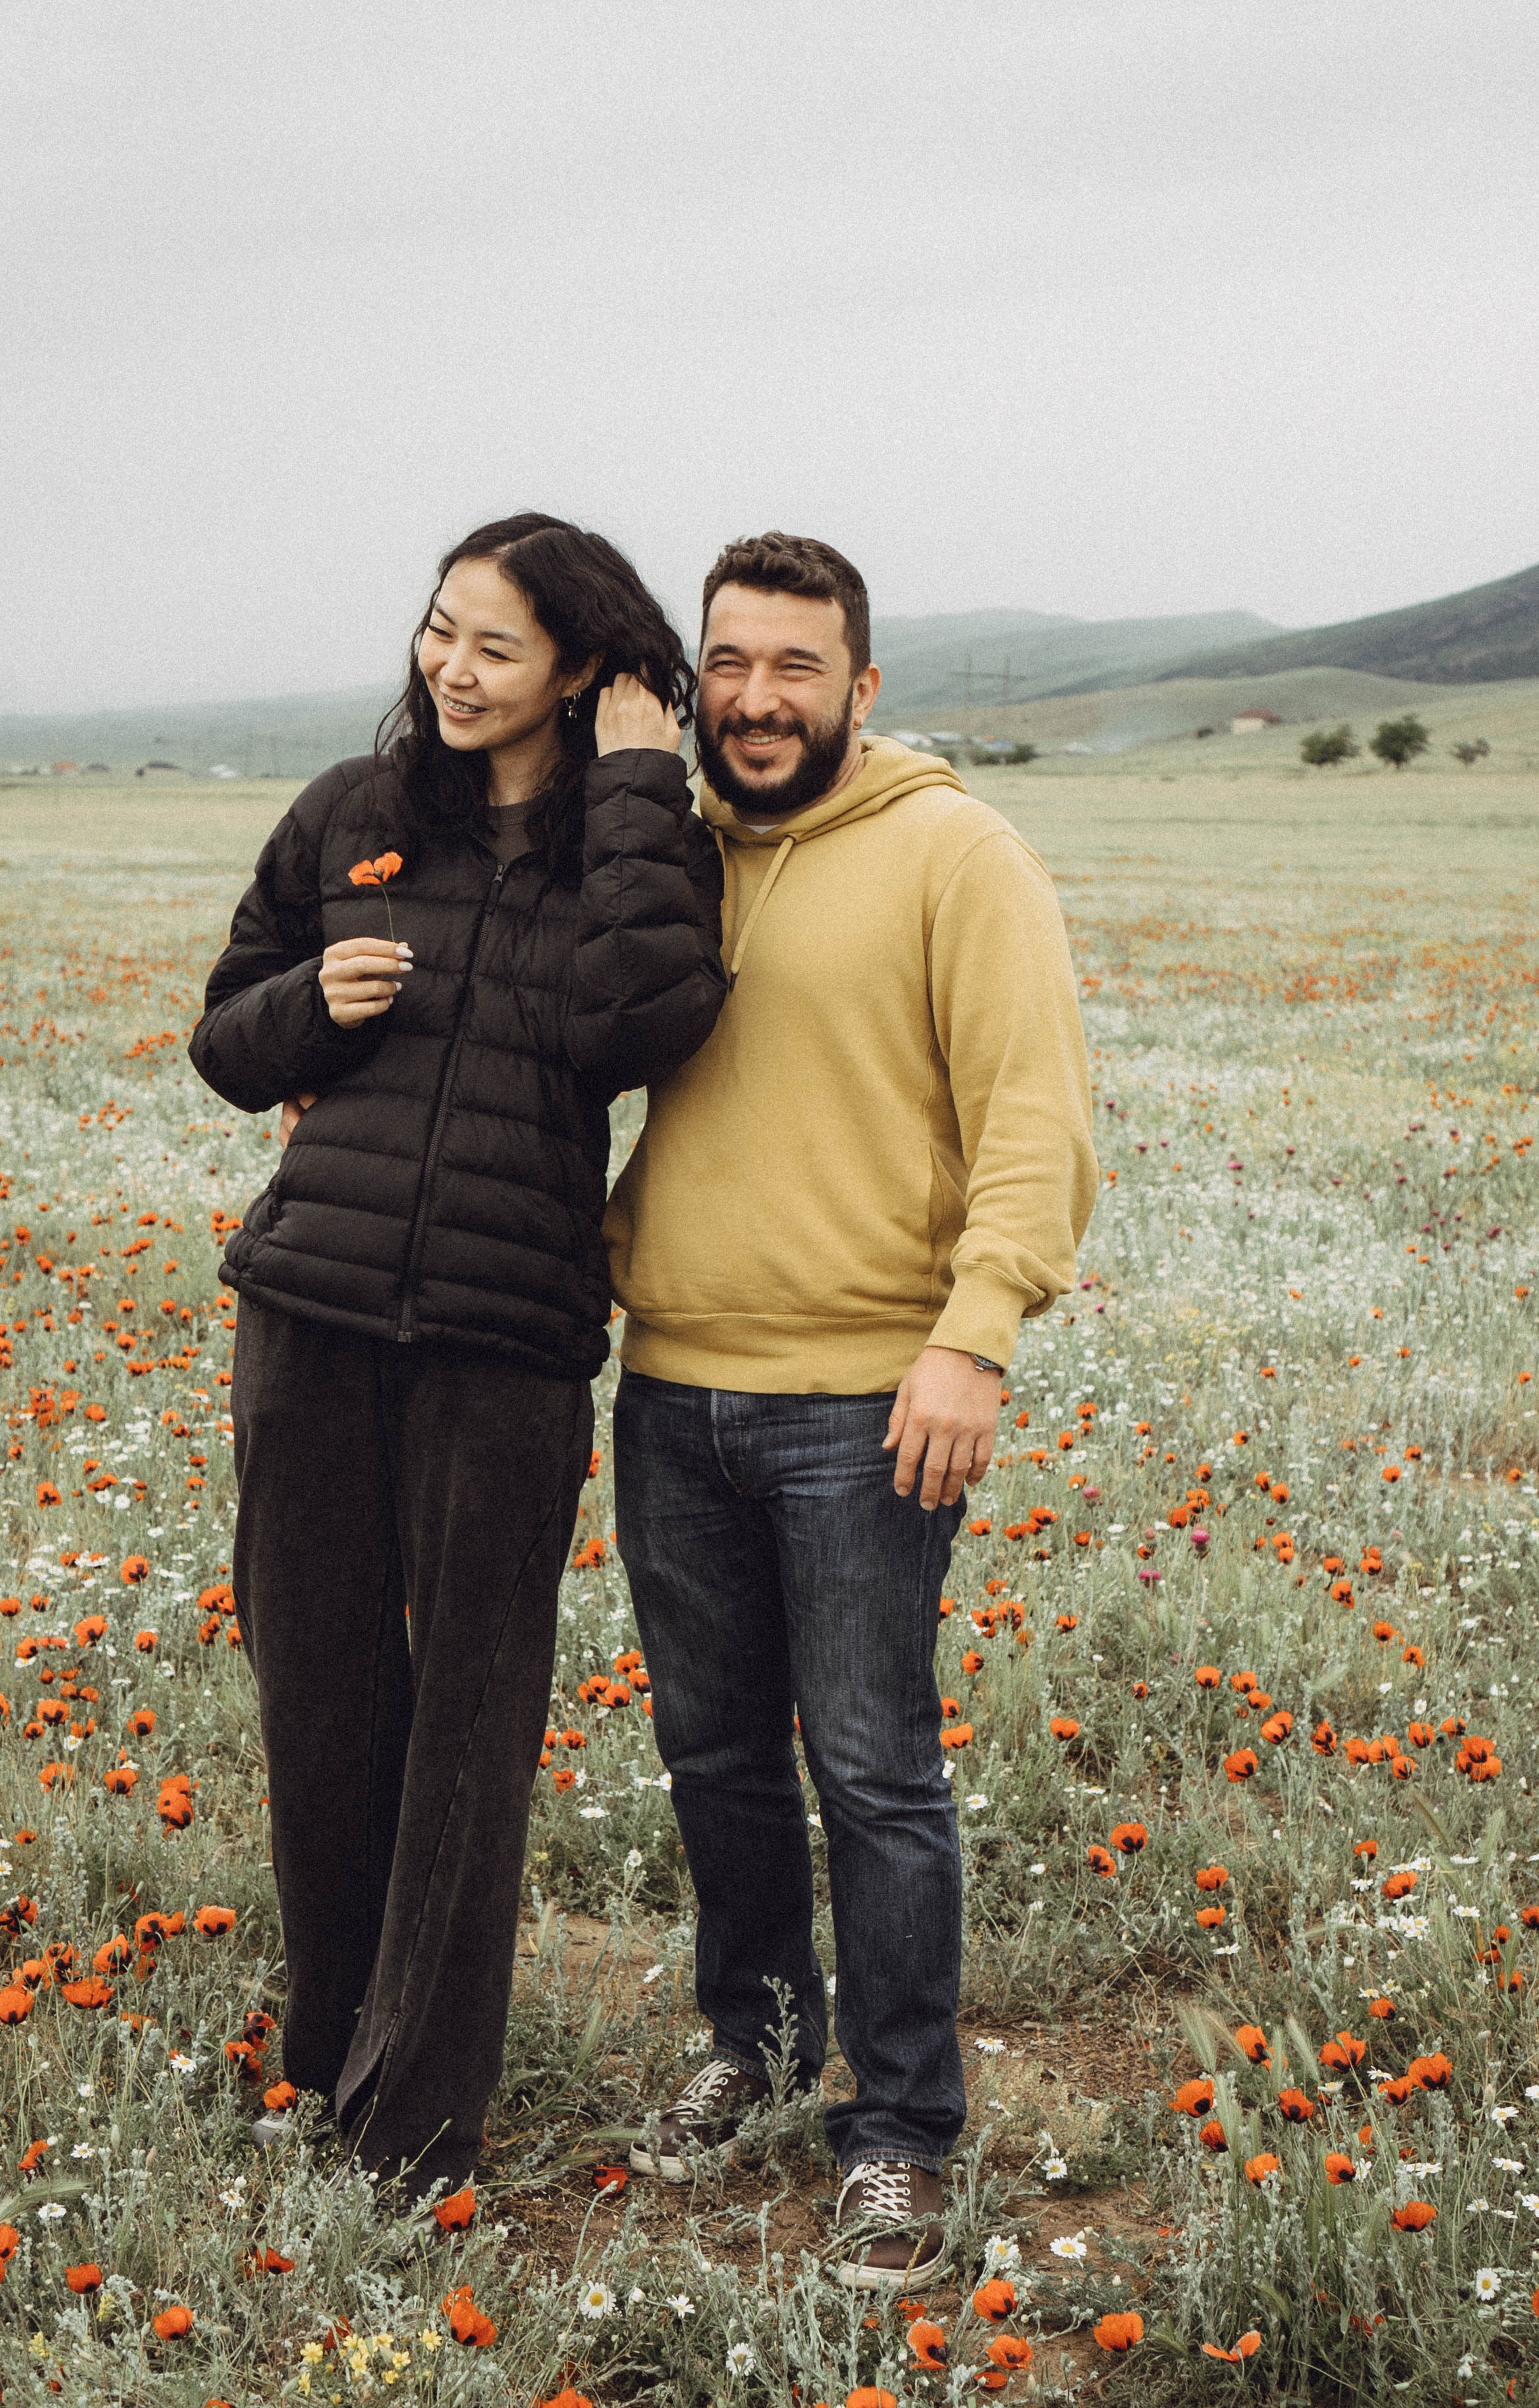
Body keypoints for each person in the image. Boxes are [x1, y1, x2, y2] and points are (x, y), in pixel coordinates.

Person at [190, 512, 724, 2195]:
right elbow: (223, 1034)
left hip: (504, 1341)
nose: (450, 668)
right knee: (323, 1701)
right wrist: (305, 1012)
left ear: (582, 670)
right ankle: (323, 2050)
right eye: (438, 631)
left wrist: (640, 791)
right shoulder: (350, 816)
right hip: (311, 1313)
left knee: (468, 1729)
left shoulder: (639, 842)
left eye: (494, 646)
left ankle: (414, 2124)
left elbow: (642, 1022)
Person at [604, 531, 1096, 2287]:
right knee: (714, 1758)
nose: (756, 698)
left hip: (867, 1402)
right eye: (728, 665)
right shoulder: (664, 862)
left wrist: (976, 1335)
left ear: (862, 686)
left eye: (795, 667)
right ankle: (747, 2049)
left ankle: (895, 2132)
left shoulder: (954, 850)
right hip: (667, 1389)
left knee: (874, 1771)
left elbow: (1035, 1112)